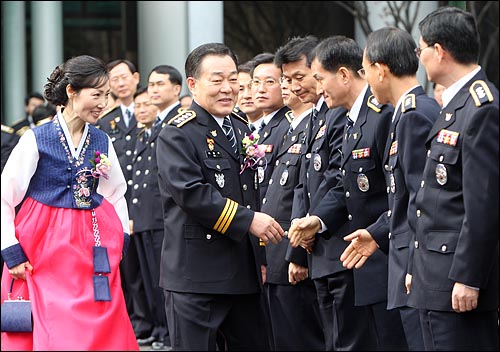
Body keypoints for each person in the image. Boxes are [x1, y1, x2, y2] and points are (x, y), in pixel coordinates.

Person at [0, 54, 138, 351]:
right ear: (72, 91)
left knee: (101, 318)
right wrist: (11, 250)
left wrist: (121, 240)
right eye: (97, 94)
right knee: (55, 327)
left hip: (93, 247)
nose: (103, 103)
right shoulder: (35, 138)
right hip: (42, 248)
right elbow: (4, 197)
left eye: (107, 95)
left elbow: (116, 194)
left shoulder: (102, 140)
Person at [156, 42, 285, 350]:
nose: (228, 88)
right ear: (193, 84)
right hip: (197, 276)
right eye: (217, 80)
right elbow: (192, 194)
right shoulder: (177, 133)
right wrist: (249, 220)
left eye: (232, 79)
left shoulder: (240, 127)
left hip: (243, 271)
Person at [289, 35, 408, 350]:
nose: (317, 88)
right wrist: (316, 221)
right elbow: (337, 182)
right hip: (355, 260)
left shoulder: (381, 116)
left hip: (379, 260)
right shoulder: (352, 121)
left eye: (319, 79)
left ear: (343, 74)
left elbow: (400, 193)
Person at [338, 27, 440, 351]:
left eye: (365, 71)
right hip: (402, 261)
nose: (365, 80)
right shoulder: (402, 114)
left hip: (415, 268)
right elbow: (405, 197)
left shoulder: (414, 115)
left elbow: (423, 201)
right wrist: (378, 232)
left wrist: (412, 265)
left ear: (380, 69)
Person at [409, 7, 498, 350]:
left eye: (422, 49)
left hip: (456, 280)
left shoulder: (481, 107)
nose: (421, 58)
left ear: (440, 50)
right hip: (434, 273)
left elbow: (483, 205)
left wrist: (469, 277)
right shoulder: (455, 103)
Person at [275, 35, 364, 351]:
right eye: (288, 80)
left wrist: (315, 221)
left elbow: (338, 180)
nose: (296, 86)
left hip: (340, 246)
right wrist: (299, 244)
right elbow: (303, 185)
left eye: (302, 77)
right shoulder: (317, 115)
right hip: (318, 250)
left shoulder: (341, 113)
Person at [260, 61, 325, 350]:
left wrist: (296, 255)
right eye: (284, 79)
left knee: (299, 337)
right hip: (276, 252)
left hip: (292, 251)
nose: (287, 85)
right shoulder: (290, 130)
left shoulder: (315, 126)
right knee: (281, 336)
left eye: (294, 78)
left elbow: (306, 196)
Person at [97, 59, 152, 342]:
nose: (119, 83)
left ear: (135, 77)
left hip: (146, 204)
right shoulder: (106, 122)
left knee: (149, 269)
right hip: (119, 203)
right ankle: (136, 320)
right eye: (113, 79)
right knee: (128, 269)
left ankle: (149, 320)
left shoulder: (150, 114)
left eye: (123, 77)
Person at [249, 52, 291, 201]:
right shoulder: (256, 128)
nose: (261, 89)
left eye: (270, 82)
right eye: (256, 82)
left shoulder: (289, 125)